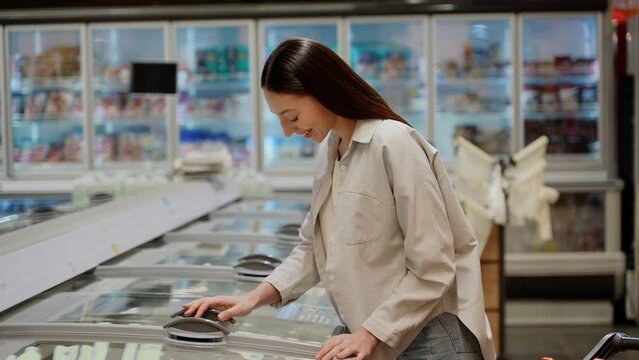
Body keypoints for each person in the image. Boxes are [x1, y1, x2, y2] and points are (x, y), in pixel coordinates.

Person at [183, 37, 496, 360]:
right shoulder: (330, 151)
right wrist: (254, 297)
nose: (288, 131)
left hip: (425, 338)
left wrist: (370, 334)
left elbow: (433, 266)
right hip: (380, 334)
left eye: (292, 116)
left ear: (323, 91)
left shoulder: (392, 143)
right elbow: (313, 247)